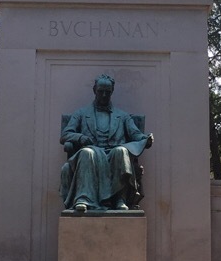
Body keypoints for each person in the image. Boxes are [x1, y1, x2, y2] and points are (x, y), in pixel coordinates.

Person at [59, 74, 153, 213]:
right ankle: (83, 198)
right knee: (87, 152)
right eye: (100, 91)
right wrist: (80, 138)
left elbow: (135, 134)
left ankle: (119, 199)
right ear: (94, 90)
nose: (103, 95)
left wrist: (146, 139)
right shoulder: (81, 113)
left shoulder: (123, 116)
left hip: (113, 153)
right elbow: (65, 135)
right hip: (92, 152)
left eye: (107, 92)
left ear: (111, 92)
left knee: (121, 151)